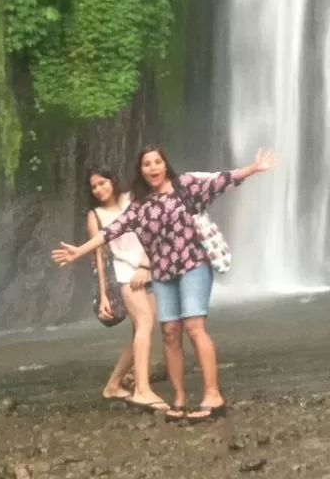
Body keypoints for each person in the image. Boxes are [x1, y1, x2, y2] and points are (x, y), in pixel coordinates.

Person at [52, 145, 276, 422]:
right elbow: (112, 230)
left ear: (165, 164)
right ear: (141, 171)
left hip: (193, 265)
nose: (153, 168)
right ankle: (180, 397)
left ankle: (212, 395)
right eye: (146, 164)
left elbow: (220, 180)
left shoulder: (185, 185)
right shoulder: (140, 205)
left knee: (194, 327)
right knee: (170, 333)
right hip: (163, 274)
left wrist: (252, 169)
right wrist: (79, 251)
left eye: (157, 162)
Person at [86, 168, 167, 412]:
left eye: (103, 183)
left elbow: (151, 230)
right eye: (94, 187)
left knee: (142, 331)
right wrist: (103, 296)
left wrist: (145, 264)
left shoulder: (132, 199)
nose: (100, 189)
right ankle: (142, 389)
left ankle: (113, 385)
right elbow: (98, 257)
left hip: (145, 270)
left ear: (113, 181)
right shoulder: (95, 215)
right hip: (123, 276)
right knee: (145, 324)